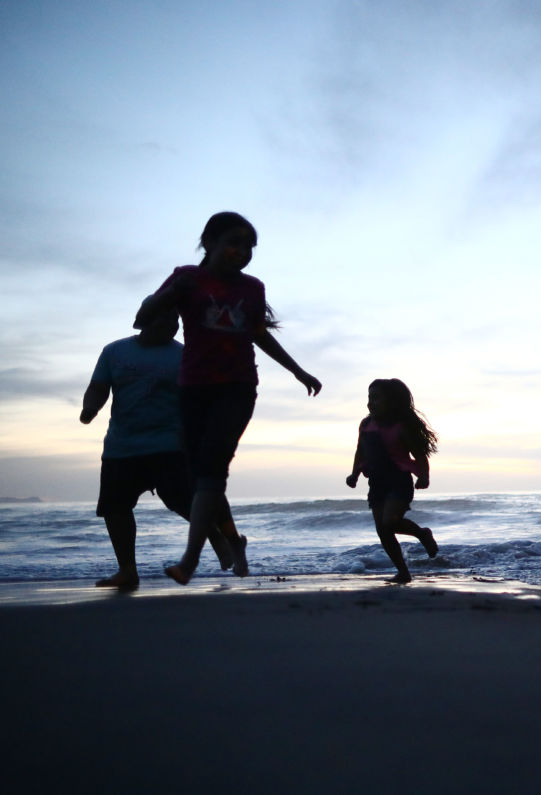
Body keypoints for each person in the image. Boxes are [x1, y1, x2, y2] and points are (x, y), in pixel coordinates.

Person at [134, 211, 322, 585]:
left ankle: (189, 561)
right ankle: (235, 543)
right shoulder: (186, 277)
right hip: (193, 389)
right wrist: (173, 293)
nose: (243, 252)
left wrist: (297, 370)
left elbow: (258, 334)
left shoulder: (252, 288)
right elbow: (141, 318)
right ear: (209, 243)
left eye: (250, 246)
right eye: (234, 243)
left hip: (237, 387)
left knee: (213, 469)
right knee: (200, 475)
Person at [80, 312, 242, 589]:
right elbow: (99, 386)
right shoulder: (114, 351)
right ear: (143, 322)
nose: (172, 326)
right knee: (115, 507)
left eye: (175, 323)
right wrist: (90, 408)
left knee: (181, 500)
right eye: (164, 321)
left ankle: (216, 536)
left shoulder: (185, 355)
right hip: (122, 446)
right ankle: (127, 571)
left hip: (170, 445)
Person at [346, 378, 438, 583]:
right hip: (377, 482)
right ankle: (403, 572)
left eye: (377, 398)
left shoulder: (401, 426)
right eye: (369, 398)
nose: (371, 402)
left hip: (399, 480)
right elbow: (360, 451)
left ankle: (422, 534)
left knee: (390, 522)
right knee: (383, 530)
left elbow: (420, 455)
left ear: (392, 401)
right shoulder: (366, 424)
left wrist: (424, 476)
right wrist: (354, 474)